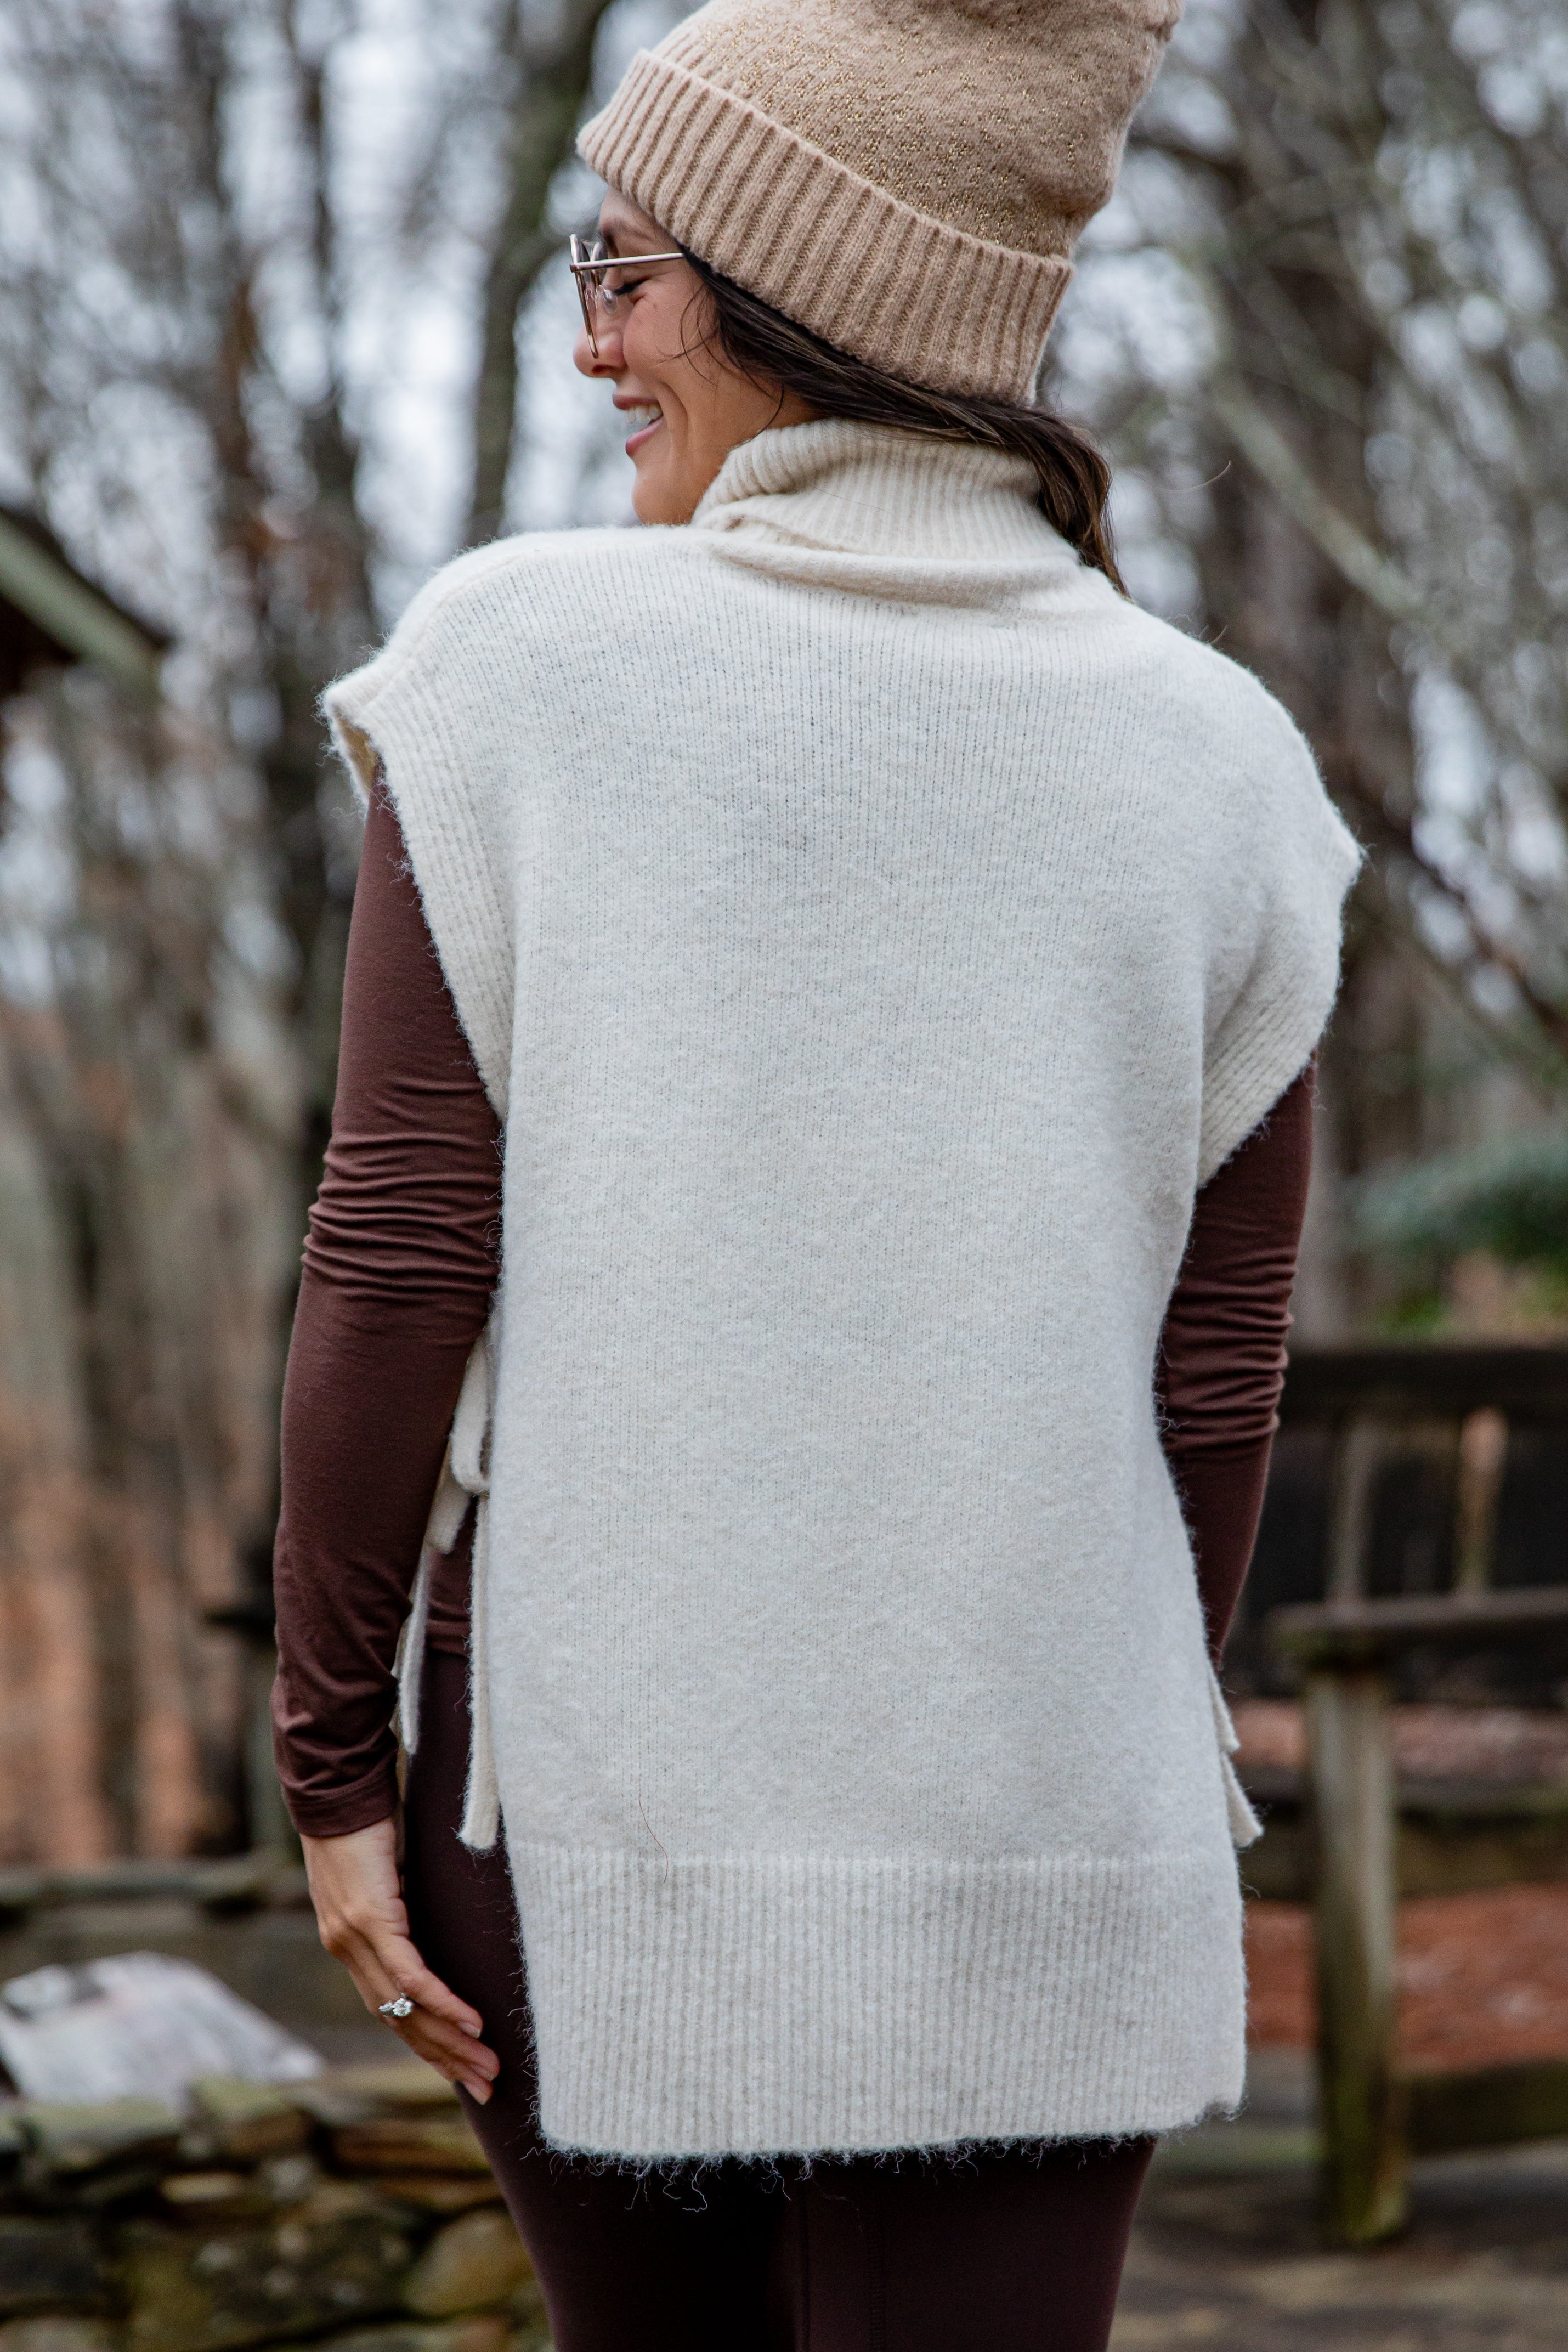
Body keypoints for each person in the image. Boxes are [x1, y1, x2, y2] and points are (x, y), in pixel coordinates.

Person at [272, 2, 1361, 2344]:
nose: (598, 350)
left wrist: (328, 1763)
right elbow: (1213, 1372)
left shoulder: (514, 673)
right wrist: (1045, 1775)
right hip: (1045, 1815)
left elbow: (395, 1257)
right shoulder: (1228, 765)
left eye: (629, 271)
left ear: (796, 290)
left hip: (568, 1813)